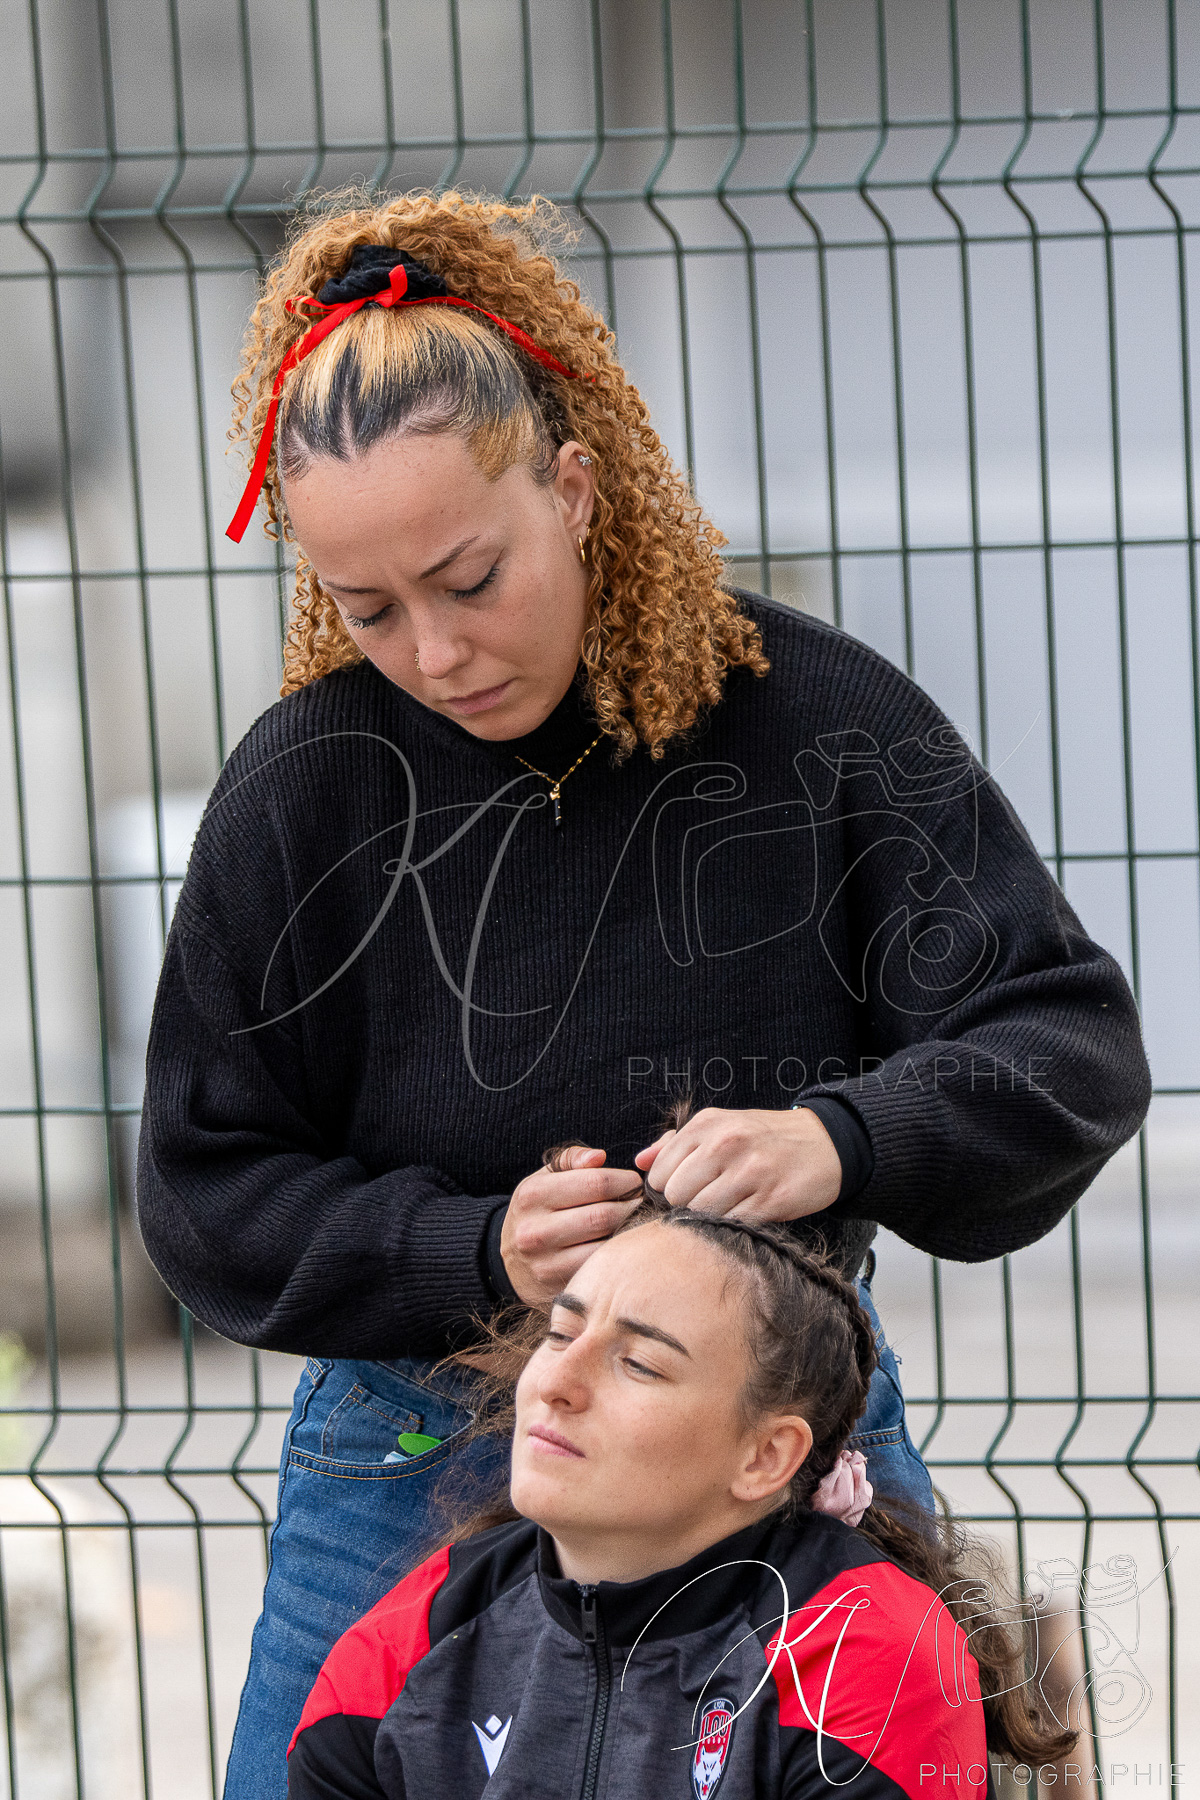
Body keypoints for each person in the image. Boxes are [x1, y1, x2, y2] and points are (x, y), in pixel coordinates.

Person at [134, 188, 1151, 1800]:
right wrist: (472, 1249)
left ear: (576, 486)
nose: (434, 653)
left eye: (471, 577)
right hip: (412, 1447)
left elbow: (1067, 1041)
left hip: (761, 1422)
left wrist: (837, 1139)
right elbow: (205, 1188)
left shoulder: (816, 722)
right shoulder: (303, 790)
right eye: (367, 608)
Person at [286, 1204, 1074, 1798]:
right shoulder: (408, 1644)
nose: (555, 1383)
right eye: (560, 1335)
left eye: (639, 1364)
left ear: (766, 1456)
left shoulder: (869, 1659)